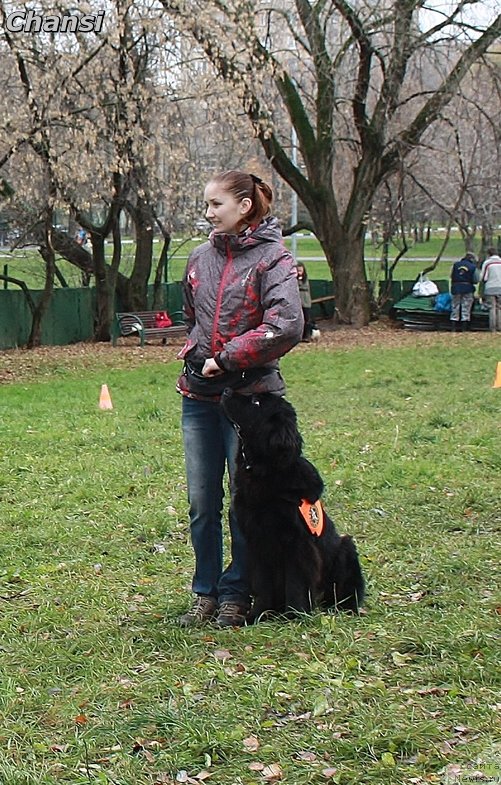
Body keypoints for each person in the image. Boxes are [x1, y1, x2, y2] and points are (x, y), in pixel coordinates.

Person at [176, 170, 304, 628]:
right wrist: (195, 353)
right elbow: (192, 318)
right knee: (201, 503)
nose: (208, 213)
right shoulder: (198, 258)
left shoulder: (274, 260)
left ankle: (238, 592)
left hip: (250, 402)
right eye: (207, 204)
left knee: (244, 501)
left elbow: (286, 324)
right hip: (199, 398)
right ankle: (204, 592)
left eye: (216, 205)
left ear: (244, 206)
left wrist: (228, 359)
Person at [449, 252, 479, 332]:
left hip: (456, 287)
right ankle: (464, 327)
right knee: (466, 307)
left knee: (455, 306)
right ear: (472, 259)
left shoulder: (455, 265)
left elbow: (451, 276)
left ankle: (453, 326)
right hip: (468, 288)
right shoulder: (473, 267)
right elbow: (476, 280)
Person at [479, 246, 501, 333]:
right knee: (499, 308)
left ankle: (492, 328)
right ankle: (500, 327)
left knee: (492, 308)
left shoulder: (487, 263)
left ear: (489, 254)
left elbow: (483, 277)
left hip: (490, 287)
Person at [296, 263, 313, 341]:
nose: (299, 272)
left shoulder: (305, 279)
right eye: (298, 270)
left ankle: (308, 335)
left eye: (300, 270)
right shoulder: (294, 278)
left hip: (305, 301)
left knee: (307, 319)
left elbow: (305, 287)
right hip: (298, 302)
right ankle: (301, 336)